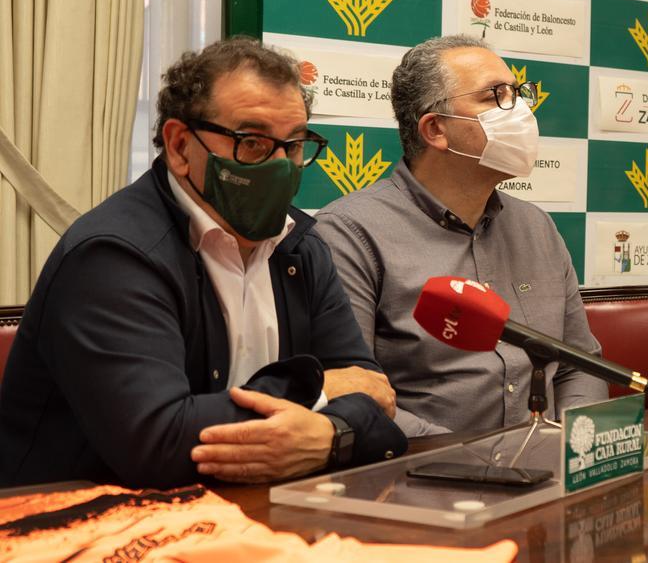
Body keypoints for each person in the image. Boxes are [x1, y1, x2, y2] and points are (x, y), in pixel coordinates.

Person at [0, 38, 407, 488]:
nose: (280, 165)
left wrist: (330, 436)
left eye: (293, 145)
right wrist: (324, 393)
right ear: (179, 146)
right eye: (251, 142)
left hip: (245, 515)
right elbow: (161, 444)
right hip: (70, 527)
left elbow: (376, 400)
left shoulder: (300, 246)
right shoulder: (112, 254)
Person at [315, 35, 606, 436]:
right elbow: (355, 395)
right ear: (435, 129)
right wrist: (470, 460)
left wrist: (577, 444)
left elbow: (580, 366)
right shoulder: (350, 234)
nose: (519, 110)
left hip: (544, 471)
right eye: (495, 96)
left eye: (519, 94)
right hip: (419, 479)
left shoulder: (537, 227)